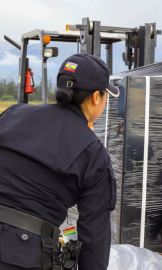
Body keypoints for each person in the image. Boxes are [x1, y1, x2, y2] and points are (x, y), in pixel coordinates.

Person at [0, 54, 120, 269]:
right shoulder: (92, 151)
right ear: (96, 97)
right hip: (21, 255)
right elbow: (94, 234)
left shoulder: (13, 114)